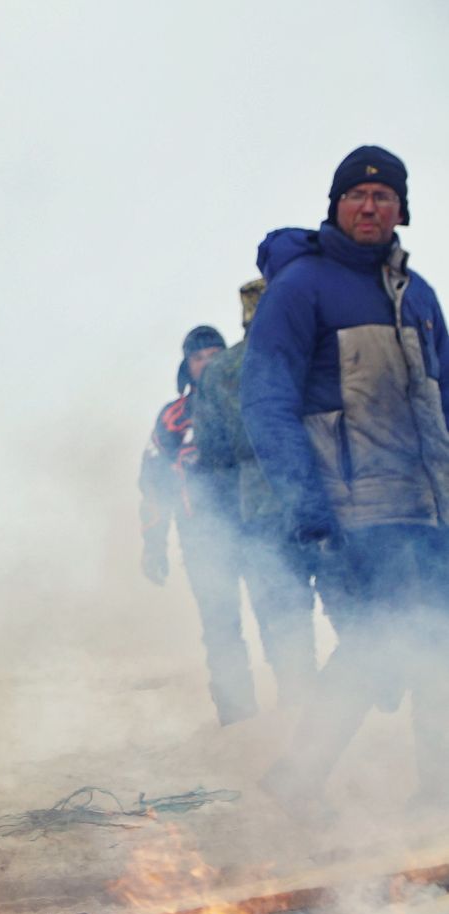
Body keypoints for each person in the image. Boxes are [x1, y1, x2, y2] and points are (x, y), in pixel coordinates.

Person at [242, 145, 449, 819]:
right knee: (380, 645)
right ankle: (298, 778)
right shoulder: (301, 288)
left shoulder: (417, 295)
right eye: (357, 196)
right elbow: (267, 404)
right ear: (335, 206)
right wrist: (307, 509)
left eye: (383, 196)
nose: (370, 206)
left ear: (402, 210)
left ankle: (429, 792)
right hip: (353, 506)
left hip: (428, 506)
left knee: (429, 644)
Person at [187, 278, 319, 708]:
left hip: (257, 508)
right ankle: (320, 702)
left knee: (277, 609)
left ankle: (293, 709)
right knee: (333, 609)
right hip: (322, 499)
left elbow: (213, 453)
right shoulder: (309, 355)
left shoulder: (223, 372)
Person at [141, 323, 267, 723]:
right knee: (221, 628)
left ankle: (300, 710)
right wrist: (154, 544)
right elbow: (154, 485)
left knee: (277, 616)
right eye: (199, 357)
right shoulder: (174, 419)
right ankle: (238, 720)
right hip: (203, 539)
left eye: (216, 354)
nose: (208, 363)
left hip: (260, 531)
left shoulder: (256, 402)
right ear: (186, 366)